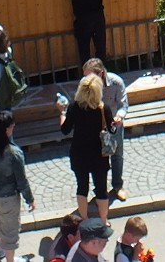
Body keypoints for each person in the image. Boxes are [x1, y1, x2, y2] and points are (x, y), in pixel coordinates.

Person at [0, 109, 35, 262]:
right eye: (11, 125)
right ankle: (10, 260)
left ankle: (1, 252)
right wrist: (30, 199)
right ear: (6, 130)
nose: (13, 127)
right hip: (6, 198)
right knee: (10, 232)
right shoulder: (14, 153)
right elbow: (21, 181)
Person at [57, 74, 114, 223]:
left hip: (79, 153)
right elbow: (112, 129)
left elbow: (65, 130)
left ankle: (84, 218)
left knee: (82, 187)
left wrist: (62, 113)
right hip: (99, 155)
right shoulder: (103, 109)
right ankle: (103, 219)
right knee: (101, 188)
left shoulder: (74, 107)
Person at [84, 58, 130, 202]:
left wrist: (119, 117)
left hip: (113, 126)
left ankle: (117, 186)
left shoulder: (116, 83)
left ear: (101, 74)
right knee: (97, 159)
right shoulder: (86, 87)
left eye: (89, 77)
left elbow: (123, 105)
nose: (86, 80)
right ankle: (100, 190)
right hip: (96, 127)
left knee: (117, 156)